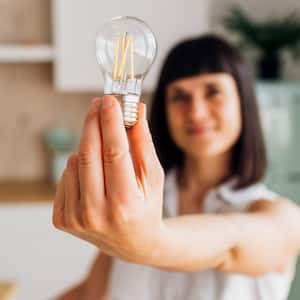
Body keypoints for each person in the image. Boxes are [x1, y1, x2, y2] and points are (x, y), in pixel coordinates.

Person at [53, 35, 300, 300]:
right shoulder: (135, 208)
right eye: (180, 97)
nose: (196, 112)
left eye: (212, 92)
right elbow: (90, 293)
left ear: (243, 101)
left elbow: (230, 244)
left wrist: (147, 241)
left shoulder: (280, 217)